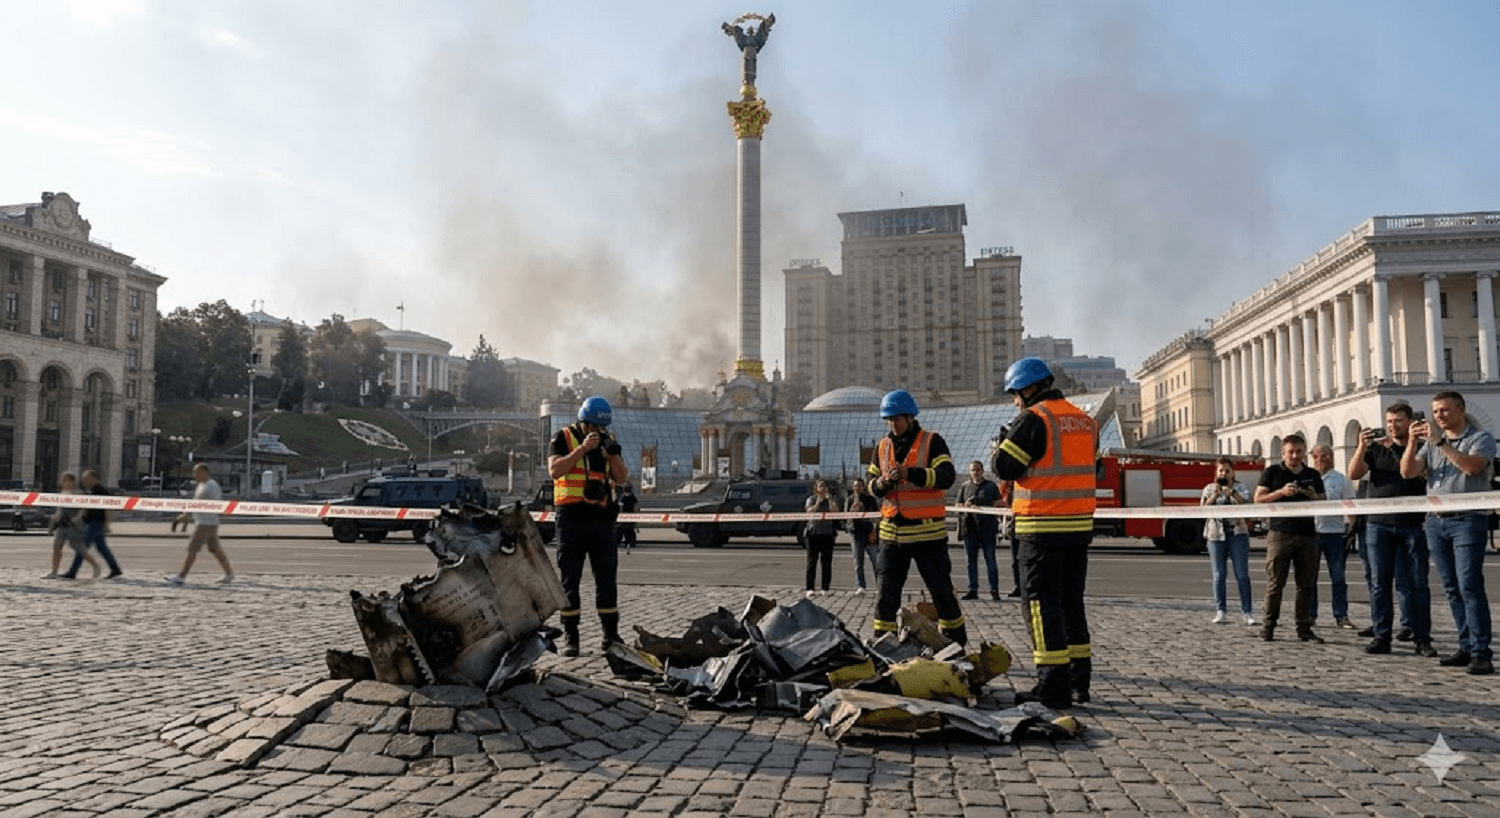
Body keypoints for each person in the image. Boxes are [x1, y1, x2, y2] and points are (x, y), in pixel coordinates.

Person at [991, 358, 1098, 709]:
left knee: (1040, 606)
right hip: (1078, 528)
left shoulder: (1034, 419)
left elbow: (1004, 467)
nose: (1015, 402)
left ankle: (1052, 687)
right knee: (1071, 605)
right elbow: (1092, 466)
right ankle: (1079, 682)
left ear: (1029, 389)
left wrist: (1002, 444)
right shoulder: (1084, 421)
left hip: (1041, 528)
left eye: (1015, 394)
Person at [1401, 391, 1495, 675]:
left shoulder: (1480, 438)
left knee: (1469, 585)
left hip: (1468, 520)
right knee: (1452, 588)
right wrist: (1412, 441)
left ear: (1460, 410)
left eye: (1444, 410)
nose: (1438, 416)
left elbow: (1472, 466)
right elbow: (1408, 472)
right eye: (1435, 411)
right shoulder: (1430, 444)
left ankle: (1481, 651)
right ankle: (1466, 645)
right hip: (1436, 521)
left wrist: (1440, 443)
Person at [867, 389, 964, 647]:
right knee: (886, 596)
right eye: (889, 420)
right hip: (891, 536)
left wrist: (910, 474)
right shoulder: (882, 446)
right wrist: (883, 483)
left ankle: (955, 642)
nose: (893, 424)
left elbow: (946, 476)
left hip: (927, 535)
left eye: (897, 419)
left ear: (910, 417)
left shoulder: (932, 441)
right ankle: (883, 643)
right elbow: (870, 484)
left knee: (941, 592)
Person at [1349, 402, 1434, 656]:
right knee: (1380, 583)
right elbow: (1354, 473)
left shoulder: (1421, 448)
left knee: (1418, 584)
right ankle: (1382, 636)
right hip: (1379, 525)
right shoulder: (1376, 450)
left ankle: (1422, 638)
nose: (1392, 426)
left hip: (1411, 524)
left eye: (1398, 421)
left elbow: (1412, 472)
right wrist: (1361, 446)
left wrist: (1413, 441)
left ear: (1409, 422)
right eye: (1389, 422)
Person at [548, 395, 629, 657]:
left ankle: (610, 635)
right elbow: (555, 471)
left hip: (601, 518)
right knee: (569, 579)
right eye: (591, 426)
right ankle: (571, 637)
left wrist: (612, 456)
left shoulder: (608, 441)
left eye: (600, 427)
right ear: (582, 422)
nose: (596, 431)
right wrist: (582, 449)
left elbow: (622, 477)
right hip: (571, 517)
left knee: (606, 579)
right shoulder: (562, 437)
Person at [1253, 435, 1325, 643]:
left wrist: (1313, 496)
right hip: (1280, 533)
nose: (1294, 456)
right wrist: (1281, 493)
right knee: (1275, 583)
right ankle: (1268, 626)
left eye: (1298, 452)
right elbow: (1258, 499)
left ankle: (1304, 628)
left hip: (1308, 534)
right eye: (1290, 452)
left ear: (1304, 452)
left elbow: (1324, 501)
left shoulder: (1312, 474)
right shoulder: (1272, 472)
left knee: (1306, 584)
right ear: (1283, 453)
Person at [1200, 457, 1254, 625]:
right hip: (1215, 535)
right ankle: (1221, 611)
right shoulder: (1209, 488)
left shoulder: (1241, 487)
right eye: (1221, 470)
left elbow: (1246, 505)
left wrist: (1232, 492)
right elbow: (1202, 510)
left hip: (1237, 534)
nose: (1224, 473)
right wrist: (1215, 495)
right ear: (1216, 473)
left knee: (1242, 574)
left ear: (1233, 473)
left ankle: (1247, 612)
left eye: (1227, 471)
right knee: (1219, 574)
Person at [1309, 444, 1356, 629]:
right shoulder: (1308, 478)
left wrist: (1353, 529)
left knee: (1338, 577)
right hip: (1312, 533)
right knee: (1310, 577)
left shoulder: (1341, 479)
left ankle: (1341, 615)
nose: (1320, 460)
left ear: (1331, 457)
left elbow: (1351, 505)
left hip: (1334, 533)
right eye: (1317, 456)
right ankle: (1310, 615)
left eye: (1325, 456)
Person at [165, 463, 234, 586]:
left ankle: (181, 576)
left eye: (195, 472)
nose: (194, 475)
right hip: (207, 522)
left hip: (206, 523)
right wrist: (186, 514)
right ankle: (229, 574)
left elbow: (218, 503)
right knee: (215, 550)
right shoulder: (201, 486)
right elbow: (195, 502)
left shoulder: (211, 486)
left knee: (192, 549)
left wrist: (222, 512)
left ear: (203, 472)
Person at [60, 469, 123, 580]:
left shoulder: (101, 491)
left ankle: (72, 572)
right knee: (102, 548)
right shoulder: (91, 491)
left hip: (95, 523)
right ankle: (115, 569)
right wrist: (80, 518)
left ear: (93, 478)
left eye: (86, 479)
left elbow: (108, 509)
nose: (83, 481)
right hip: (93, 523)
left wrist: (107, 524)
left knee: (82, 548)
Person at [956, 461, 1002, 601]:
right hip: (970, 528)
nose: (975, 472)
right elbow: (957, 505)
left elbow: (999, 503)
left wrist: (984, 504)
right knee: (971, 561)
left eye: (977, 470)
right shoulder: (965, 486)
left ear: (982, 471)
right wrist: (966, 505)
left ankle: (994, 590)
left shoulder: (991, 486)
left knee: (990, 560)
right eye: (973, 470)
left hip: (987, 528)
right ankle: (972, 589)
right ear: (969, 472)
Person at [45, 472, 99, 579]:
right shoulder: (62, 494)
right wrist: (51, 527)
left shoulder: (78, 494)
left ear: (72, 482)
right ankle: (54, 572)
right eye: (63, 480)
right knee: (57, 547)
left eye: (66, 480)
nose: (63, 483)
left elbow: (83, 509)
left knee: (79, 549)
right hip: (62, 525)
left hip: (73, 526)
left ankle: (95, 565)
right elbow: (58, 512)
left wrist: (78, 518)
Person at [803, 478, 838, 596]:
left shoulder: (831, 499)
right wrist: (818, 501)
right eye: (820, 486)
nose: (823, 488)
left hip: (827, 534)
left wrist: (829, 500)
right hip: (813, 533)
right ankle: (810, 588)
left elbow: (835, 511)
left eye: (824, 486)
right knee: (811, 562)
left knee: (826, 562)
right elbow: (810, 512)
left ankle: (825, 588)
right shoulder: (811, 499)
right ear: (816, 488)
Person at [844, 478, 879, 594]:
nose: (857, 488)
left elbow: (876, 517)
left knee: (876, 561)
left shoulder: (870, 499)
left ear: (863, 487)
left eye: (859, 485)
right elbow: (845, 520)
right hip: (856, 533)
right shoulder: (849, 500)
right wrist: (852, 511)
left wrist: (874, 531)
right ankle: (861, 586)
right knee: (858, 562)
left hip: (869, 532)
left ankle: (880, 586)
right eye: (855, 486)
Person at [615, 483, 638, 554]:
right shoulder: (623, 497)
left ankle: (629, 542)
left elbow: (636, 508)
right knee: (621, 529)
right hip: (624, 518)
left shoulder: (631, 497)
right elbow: (620, 507)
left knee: (628, 529)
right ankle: (625, 542)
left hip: (629, 517)